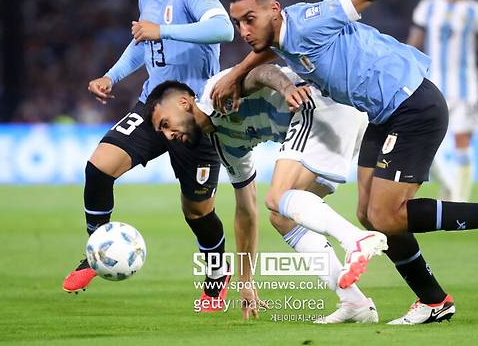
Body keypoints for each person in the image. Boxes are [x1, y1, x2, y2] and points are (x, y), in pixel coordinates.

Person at [212, 0, 478, 324]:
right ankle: (434, 301)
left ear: (275, 10)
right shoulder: (276, 37)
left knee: (386, 214)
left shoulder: (311, 21)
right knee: (368, 215)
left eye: (250, 20)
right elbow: (264, 53)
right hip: (382, 114)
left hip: (413, 105)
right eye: (238, 24)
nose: (244, 31)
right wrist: (234, 75)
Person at [62, 0, 235, 312]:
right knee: (98, 167)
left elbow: (223, 29)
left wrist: (166, 31)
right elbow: (142, 41)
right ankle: (96, 250)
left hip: (195, 117)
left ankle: (216, 274)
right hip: (152, 105)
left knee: (197, 211)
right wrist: (111, 75)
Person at [144, 64, 387, 323]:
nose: (169, 136)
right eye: (163, 132)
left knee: (278, 198)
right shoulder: (225, 144)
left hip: (320, 104)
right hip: (338, 125)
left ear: (184, 103)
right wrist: (245, 281)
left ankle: (354, 239)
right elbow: (246, 210)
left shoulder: (215, 94)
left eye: (166, 124)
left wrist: (285, 89)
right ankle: (353, 301)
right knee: (283, 216)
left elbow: (261, 72)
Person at [407, 0, 478, 201]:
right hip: (431, 86)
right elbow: (412, 45)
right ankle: (449, 184)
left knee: (462, 141)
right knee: (422, 140)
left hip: (466, 89)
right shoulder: (427, 7)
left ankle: (459, 201)